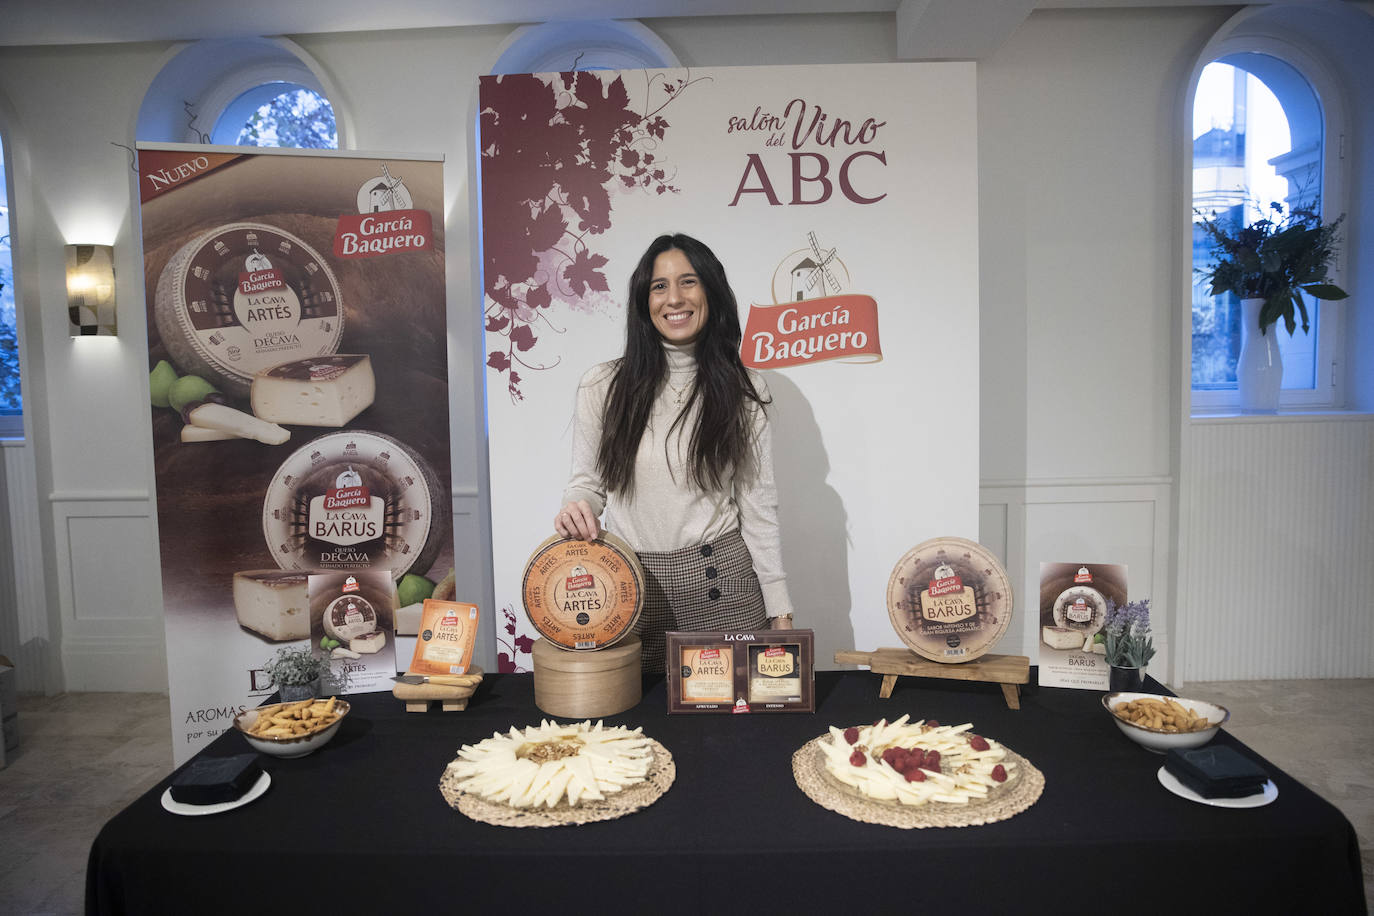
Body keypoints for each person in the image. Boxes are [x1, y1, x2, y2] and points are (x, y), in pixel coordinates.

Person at [554, 233, 794, 671]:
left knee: (738, 736)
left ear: (711, 291)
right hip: (629, 592)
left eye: (689, 282)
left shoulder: (744, 389)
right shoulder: (602, 385)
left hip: (724, 588)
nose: (674, 298)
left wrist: (781, 612)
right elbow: (588, 485)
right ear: (644, 301)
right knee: (632, 734)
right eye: (659, 286)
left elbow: (758, 505)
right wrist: (577, 508)